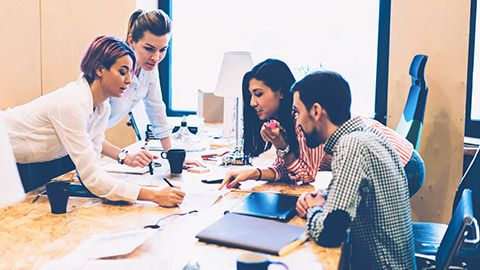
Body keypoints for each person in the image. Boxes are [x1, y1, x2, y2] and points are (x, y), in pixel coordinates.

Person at [3, 35, 184, 207]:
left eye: (130, 72)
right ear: (99, 69)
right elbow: (92, 177)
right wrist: (152, 195)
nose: (129, 80)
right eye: (122, 72)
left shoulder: (102, 107)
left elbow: (93, 169)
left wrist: (142, 190)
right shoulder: (71, 104)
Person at [220, 59, 425, 199]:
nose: (253, 102)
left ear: (281, 93)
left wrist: (281, 146)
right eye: (251, 96)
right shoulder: (289, 120)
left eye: (258, 94)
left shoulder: (305, 120)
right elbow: (287, 169)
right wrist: (251, 173)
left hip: (406, 165)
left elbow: (305, 175)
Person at [293, 71, 416, 269]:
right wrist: (325, 197)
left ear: (316, 111)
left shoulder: (351, 146)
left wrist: (312, 209)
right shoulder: (368, 133)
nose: (297, 122)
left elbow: (330, 234)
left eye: (297, 112)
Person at [101, 9, 202, 169]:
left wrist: (172, 155)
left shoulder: (147, 65)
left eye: (162, 49)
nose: (156, 57)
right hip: (61, 137)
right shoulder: (109, 66)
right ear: (131, 40)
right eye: (149, 48)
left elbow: (156, 110)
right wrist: (124, 157)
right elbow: (87, 131)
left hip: (81, 141)